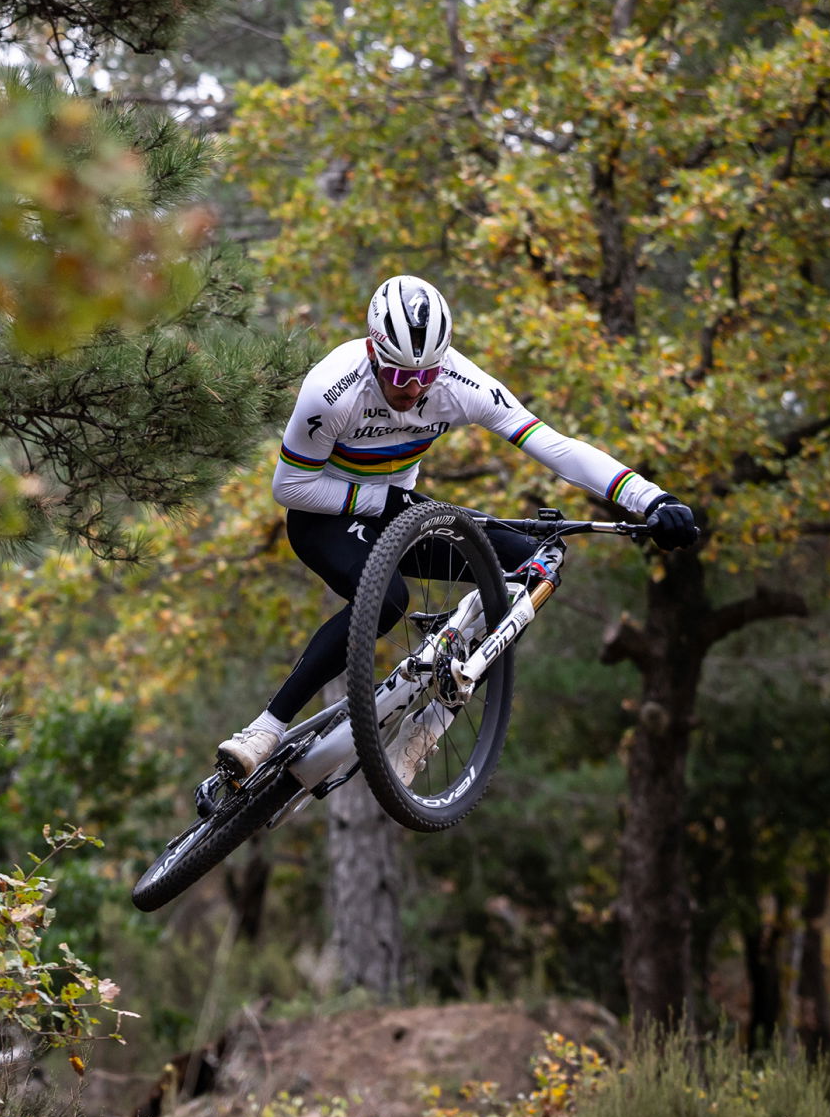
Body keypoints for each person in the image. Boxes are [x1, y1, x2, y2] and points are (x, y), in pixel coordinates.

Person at [211, 274, 697, 788]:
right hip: (323, 513)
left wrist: (650, 498)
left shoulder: (460, 382)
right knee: (389, 600)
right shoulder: (332, 389)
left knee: (537, 563)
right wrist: (383, 498)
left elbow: (554, 446)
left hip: (398, 512)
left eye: (425, 375)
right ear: (374, 351)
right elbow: (289, 489)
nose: (414, 389)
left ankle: (427, 728)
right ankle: (264, 729)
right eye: (400, 378)